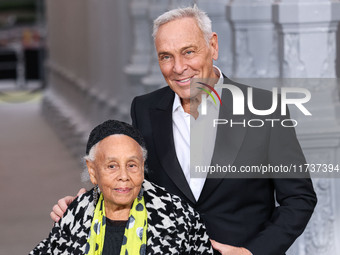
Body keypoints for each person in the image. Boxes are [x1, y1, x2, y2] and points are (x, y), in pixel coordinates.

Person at [50, 6, 317, 255]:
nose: (178, 68)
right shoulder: (145, 109)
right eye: (166, 57)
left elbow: (299, 198)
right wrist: (87, 205)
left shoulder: (265, 108)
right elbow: (138, 186)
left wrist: (253, 252)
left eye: (188, 52)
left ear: (212, 45)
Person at [31, 120, 213, 254]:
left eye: (132, 165)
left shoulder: (178, 215)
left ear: (142, 166)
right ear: (92, 171)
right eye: (112, 166)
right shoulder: (75, 215)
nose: (124, 176)